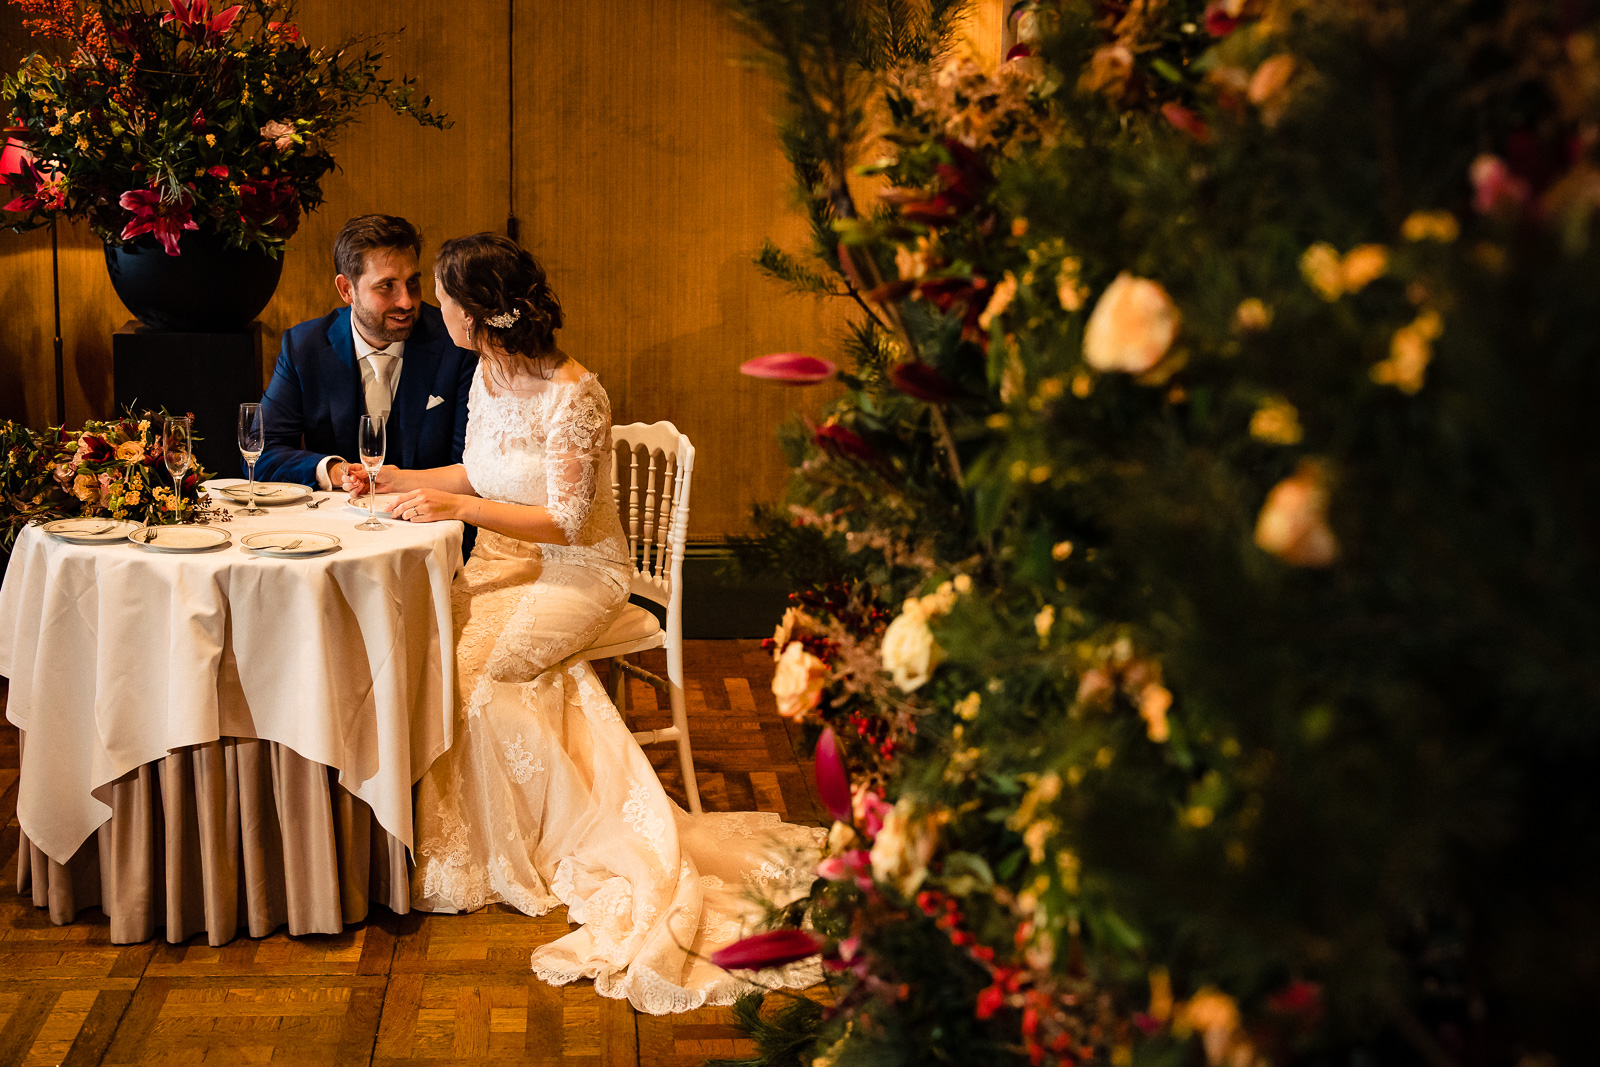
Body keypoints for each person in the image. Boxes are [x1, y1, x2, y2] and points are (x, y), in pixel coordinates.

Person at [351, 233, 821, 1014]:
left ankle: (532, 848)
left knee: (484, 677)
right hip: (505, 561)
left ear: (477, 312)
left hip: (583, 573)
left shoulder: (578, 393)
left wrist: (459, 508)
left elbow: (569, 522)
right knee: (430, 655)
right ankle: (485, 840)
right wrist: (394, 476)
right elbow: (474, 470)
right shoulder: (485, 374)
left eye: (443, 296)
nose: (435, 308)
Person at [254, 215, 476, 492]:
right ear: (347, 289)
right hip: (337, 524)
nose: (406, 301)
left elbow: (471, 464)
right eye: (387, 286)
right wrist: (334, 471)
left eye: (412, 282)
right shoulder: (304, 347)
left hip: (433, 520)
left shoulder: (455, 343)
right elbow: (261, 452)